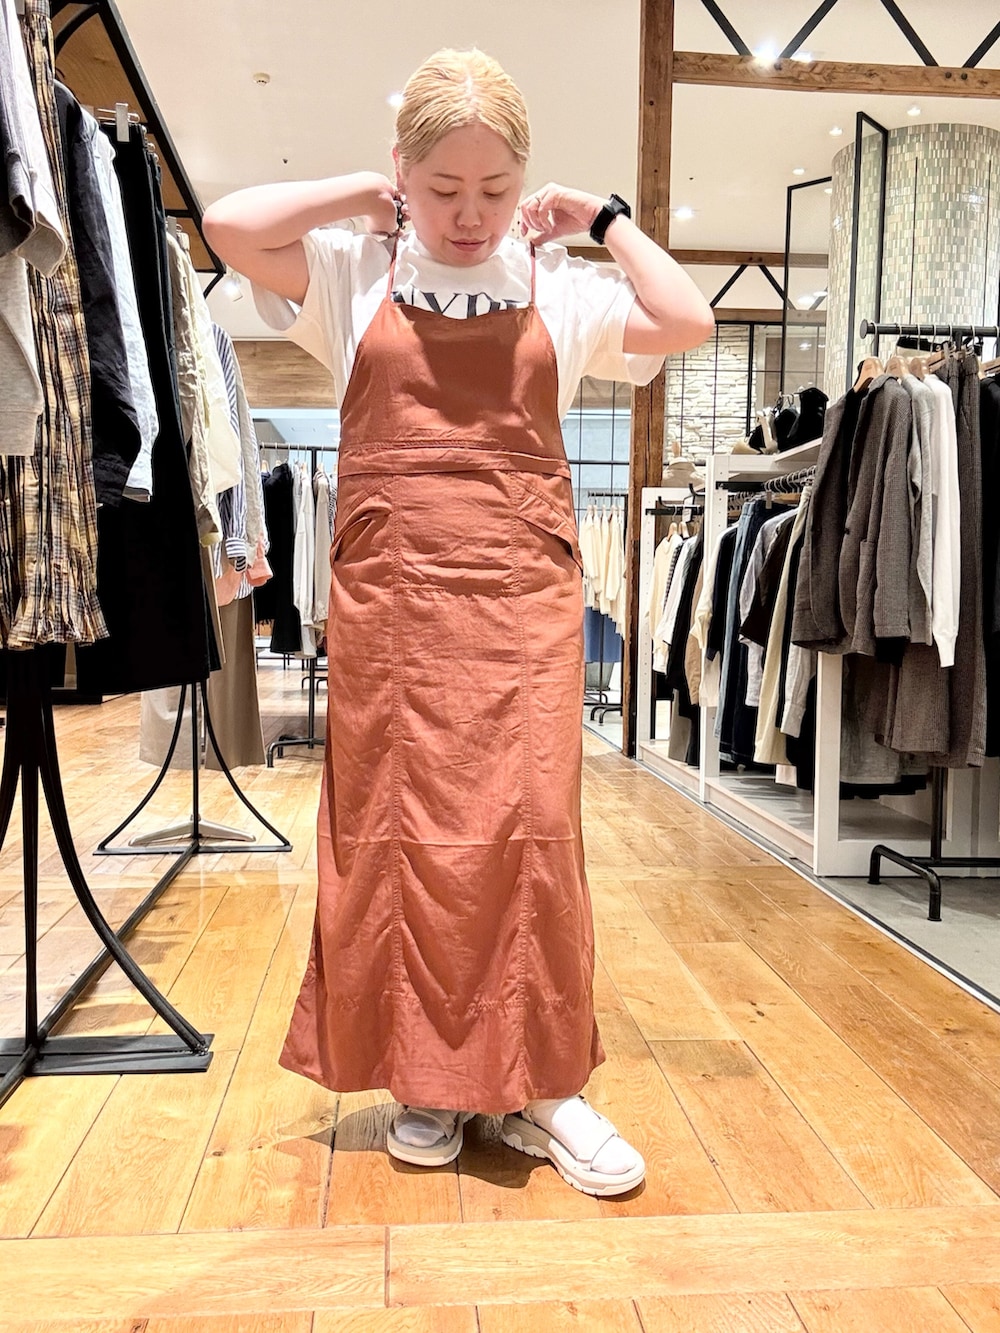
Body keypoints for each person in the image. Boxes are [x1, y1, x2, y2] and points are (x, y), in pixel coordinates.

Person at [203, 47, 714, 1198]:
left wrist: (606, 221)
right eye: (442, 189)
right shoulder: (353, 268)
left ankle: (544, 1086)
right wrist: (358, 194)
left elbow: (685, 318)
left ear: (524, 181)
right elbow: (229, 227)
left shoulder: (561, 286)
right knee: (394, 834)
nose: (471, 214)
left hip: (523, 605)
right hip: (391, 607)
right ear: (404, 173)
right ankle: (422, 1078)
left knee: (534, 830)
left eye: (495, 189)